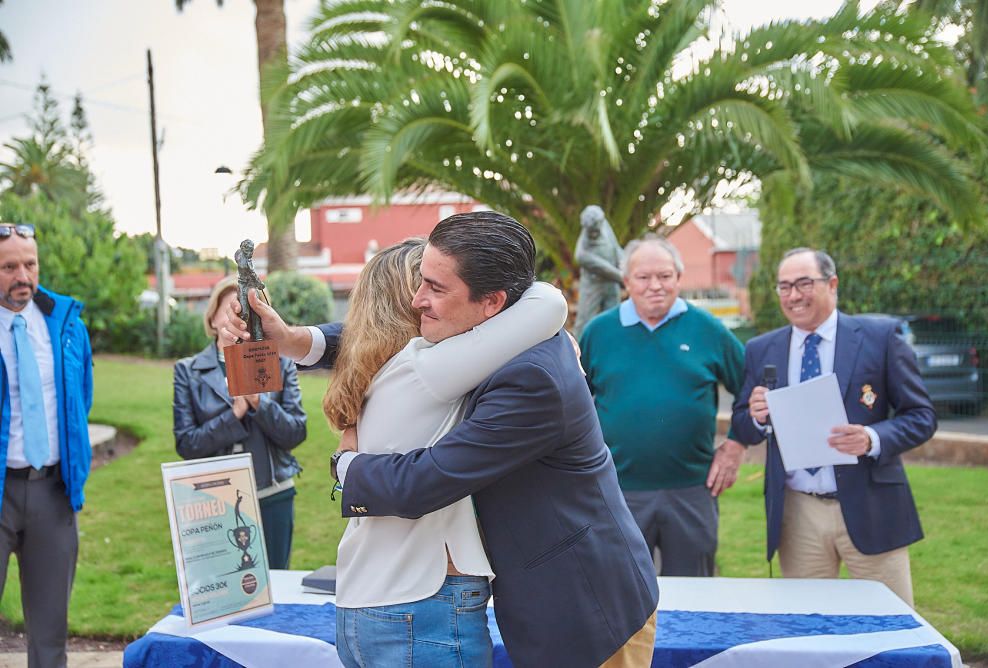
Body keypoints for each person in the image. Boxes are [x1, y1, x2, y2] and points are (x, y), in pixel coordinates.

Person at [224, 212, 659, 667]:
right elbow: (388, 329)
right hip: (523, 587)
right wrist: (294, 339)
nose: (416, 300)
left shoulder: (531, 378)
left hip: (584, 603)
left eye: (434, 288)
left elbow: (424, 481)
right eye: (418, 282)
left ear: (492, 303)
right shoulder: (489, 331)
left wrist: (346, 465)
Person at [323, 237, 568, 667]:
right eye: (429, 285)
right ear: (410, 300)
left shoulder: (377, 375)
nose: (429, 297)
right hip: (424, 606)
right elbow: (548, 305)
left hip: (364, 602)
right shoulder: (428, 368)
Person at [731, 248, 936, 605]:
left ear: (833, 283)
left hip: (871, 504)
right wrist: (757, 416)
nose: (794, 295)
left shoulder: (881, 338)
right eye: (784, 286)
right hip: (798, 514)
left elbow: (922, 416)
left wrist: (872, 438)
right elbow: (743, 425)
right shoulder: (761, 349)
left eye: (804, 283)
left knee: (888, 631)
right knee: (808, 632)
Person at [579, 235, 747, 577]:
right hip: (618, 491)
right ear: (626, 281)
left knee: (696, 598)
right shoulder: (598, 333)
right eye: (643, 277)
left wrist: (735, 447)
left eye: (665, 276)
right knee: (622, 594)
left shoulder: (709, 330)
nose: (655, 285)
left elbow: (751, 390)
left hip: (692, 491)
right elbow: (573, 406)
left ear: (678, 278)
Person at [0, 221, 93, 668]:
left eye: (30, 264)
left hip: (52, 495)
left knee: (50, 637)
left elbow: (81, 399)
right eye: (9, 267)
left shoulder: (66, 323)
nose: (22, 276)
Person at [172, 275, 307, 570]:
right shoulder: (188, 371)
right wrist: (233, 414)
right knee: (224, 590)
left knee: (275, 585)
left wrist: (259, 403)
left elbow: (296, 432)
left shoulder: (281, 364)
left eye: (247, 309)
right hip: (214, 499)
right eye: (230, 307)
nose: (238, 315)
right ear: (212, 317)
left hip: (272, 495)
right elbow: (187, 444)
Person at [573, 204, 624, 336]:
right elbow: (603, 268)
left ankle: (612, 352)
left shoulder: (604, 224)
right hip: (592, 285)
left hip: (611, 284)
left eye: (597, 230)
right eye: (591, 232)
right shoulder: (582, 253)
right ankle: (575, 354)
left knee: (614, 320)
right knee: (584, 321)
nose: (595, 234)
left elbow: (615, 247)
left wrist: (624, 264)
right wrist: (623, 277)